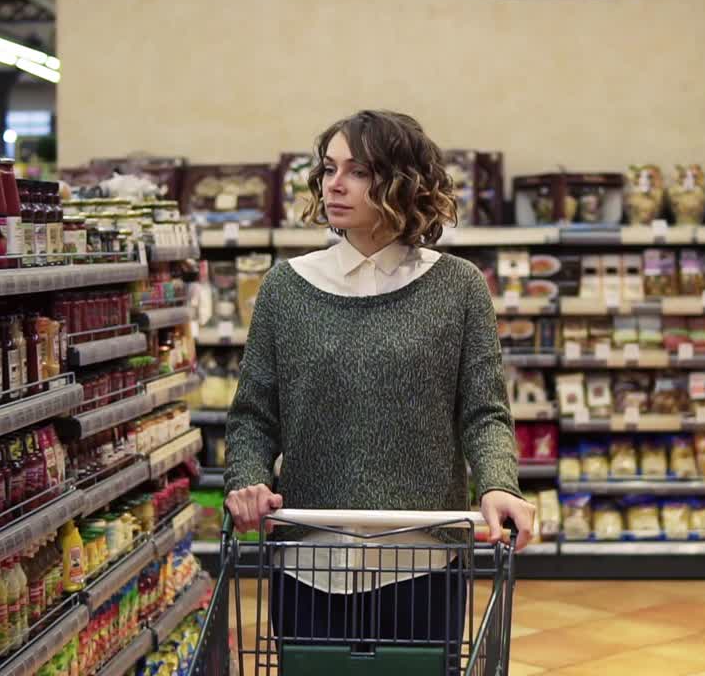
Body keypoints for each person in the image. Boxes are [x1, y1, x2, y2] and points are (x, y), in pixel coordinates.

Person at [223, 109, 535, 652]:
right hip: (308, 560)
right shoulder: (285, 288)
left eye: (359, 171)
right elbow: (254, 415)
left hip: (423, 562)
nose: (335, 185)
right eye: (328, 168)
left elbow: (484, 412)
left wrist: (499, 484)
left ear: (403, 183)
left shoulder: (458, 287)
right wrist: (247, 478)